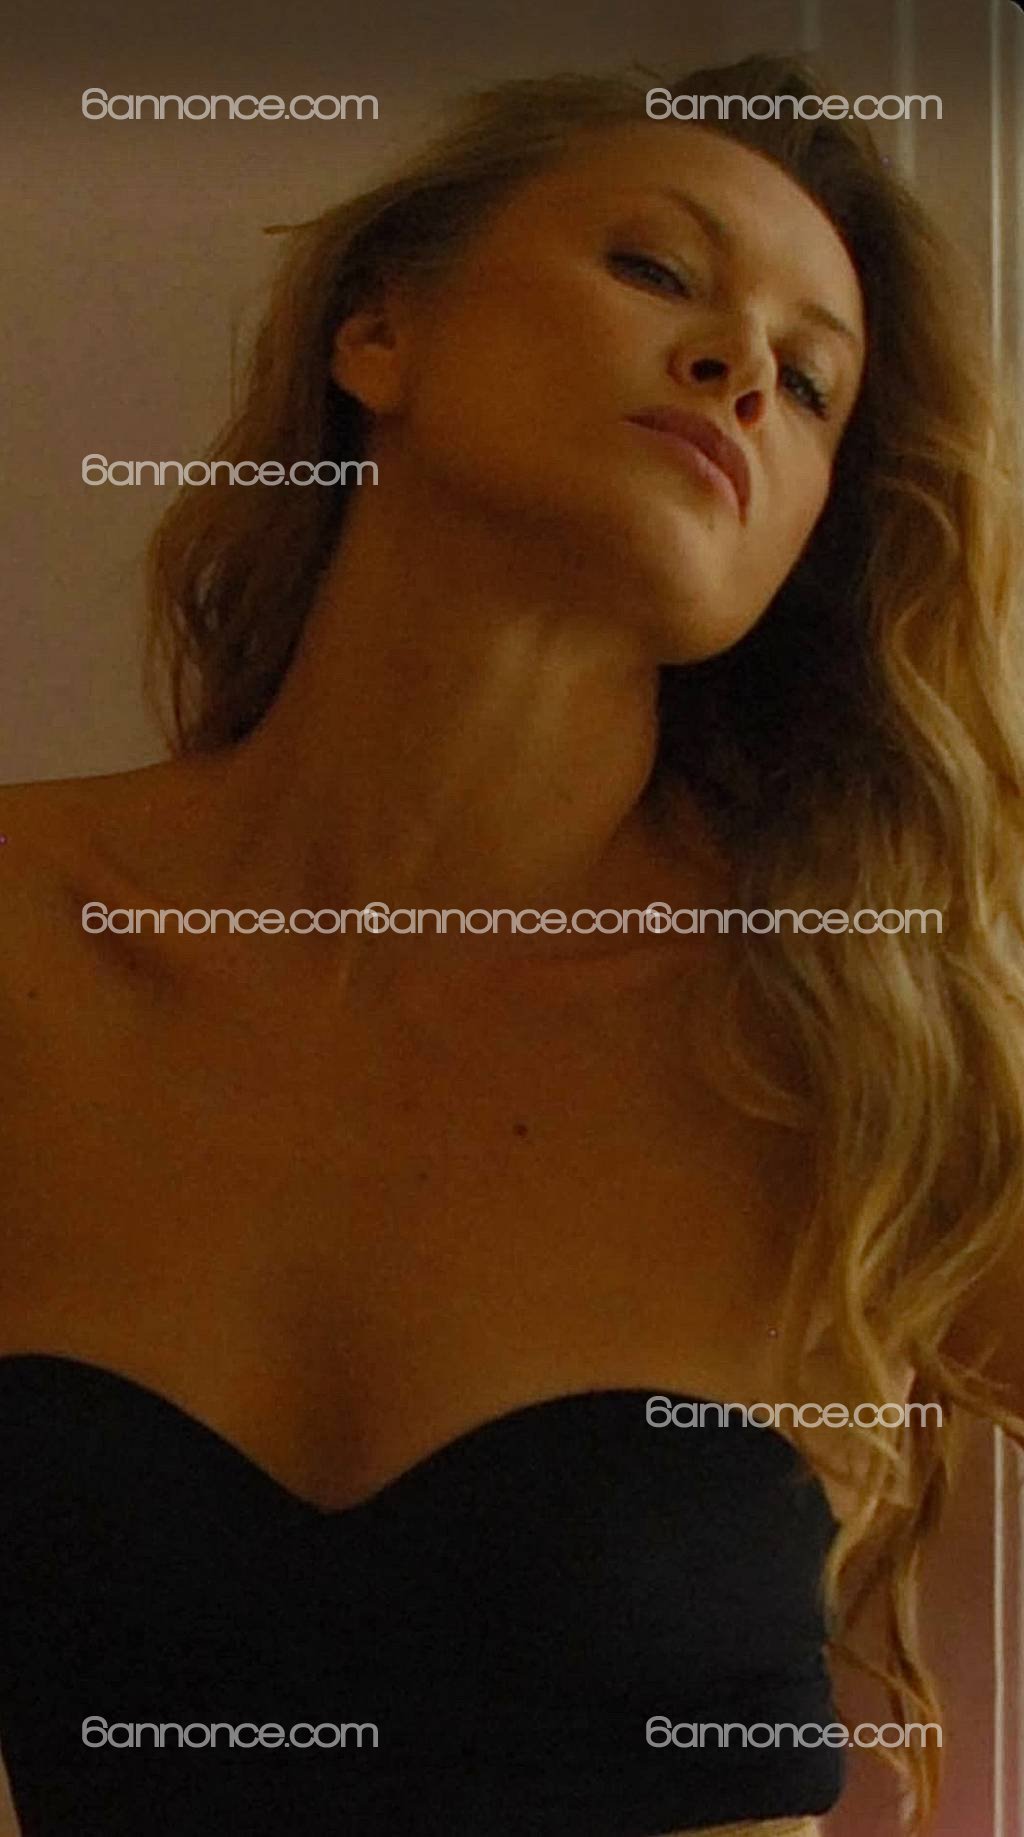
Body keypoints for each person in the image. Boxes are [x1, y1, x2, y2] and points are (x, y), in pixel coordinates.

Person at [1, 49, 1022, 1837]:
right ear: (378, 333)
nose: (741, 369)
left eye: (810, 384)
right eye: (658, 271)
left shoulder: (869, 1044)